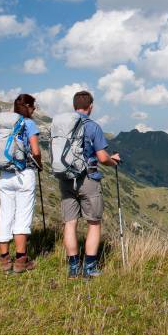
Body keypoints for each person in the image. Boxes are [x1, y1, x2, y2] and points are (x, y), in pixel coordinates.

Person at [60, 91, 120, 278]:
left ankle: (73, 268)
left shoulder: (62, 126)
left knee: (70, 223)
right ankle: (89, 268)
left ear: (74, 105)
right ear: (90, 106)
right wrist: (113, 161)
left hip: (66, 178)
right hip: (88, 179)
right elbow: (102, 157)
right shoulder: (93, 126)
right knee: (93, 223)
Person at [0, 93, 42, 274]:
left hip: (5, 174)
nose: (35, 109)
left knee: (6, 215)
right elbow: (36, 150)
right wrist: (40, 164)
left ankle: (5, 259)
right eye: (34, 106)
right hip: (24, 174)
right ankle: (21, 260)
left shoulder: (6, 124)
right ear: (28, 107)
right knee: (22, 216)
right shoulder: (29, 124)